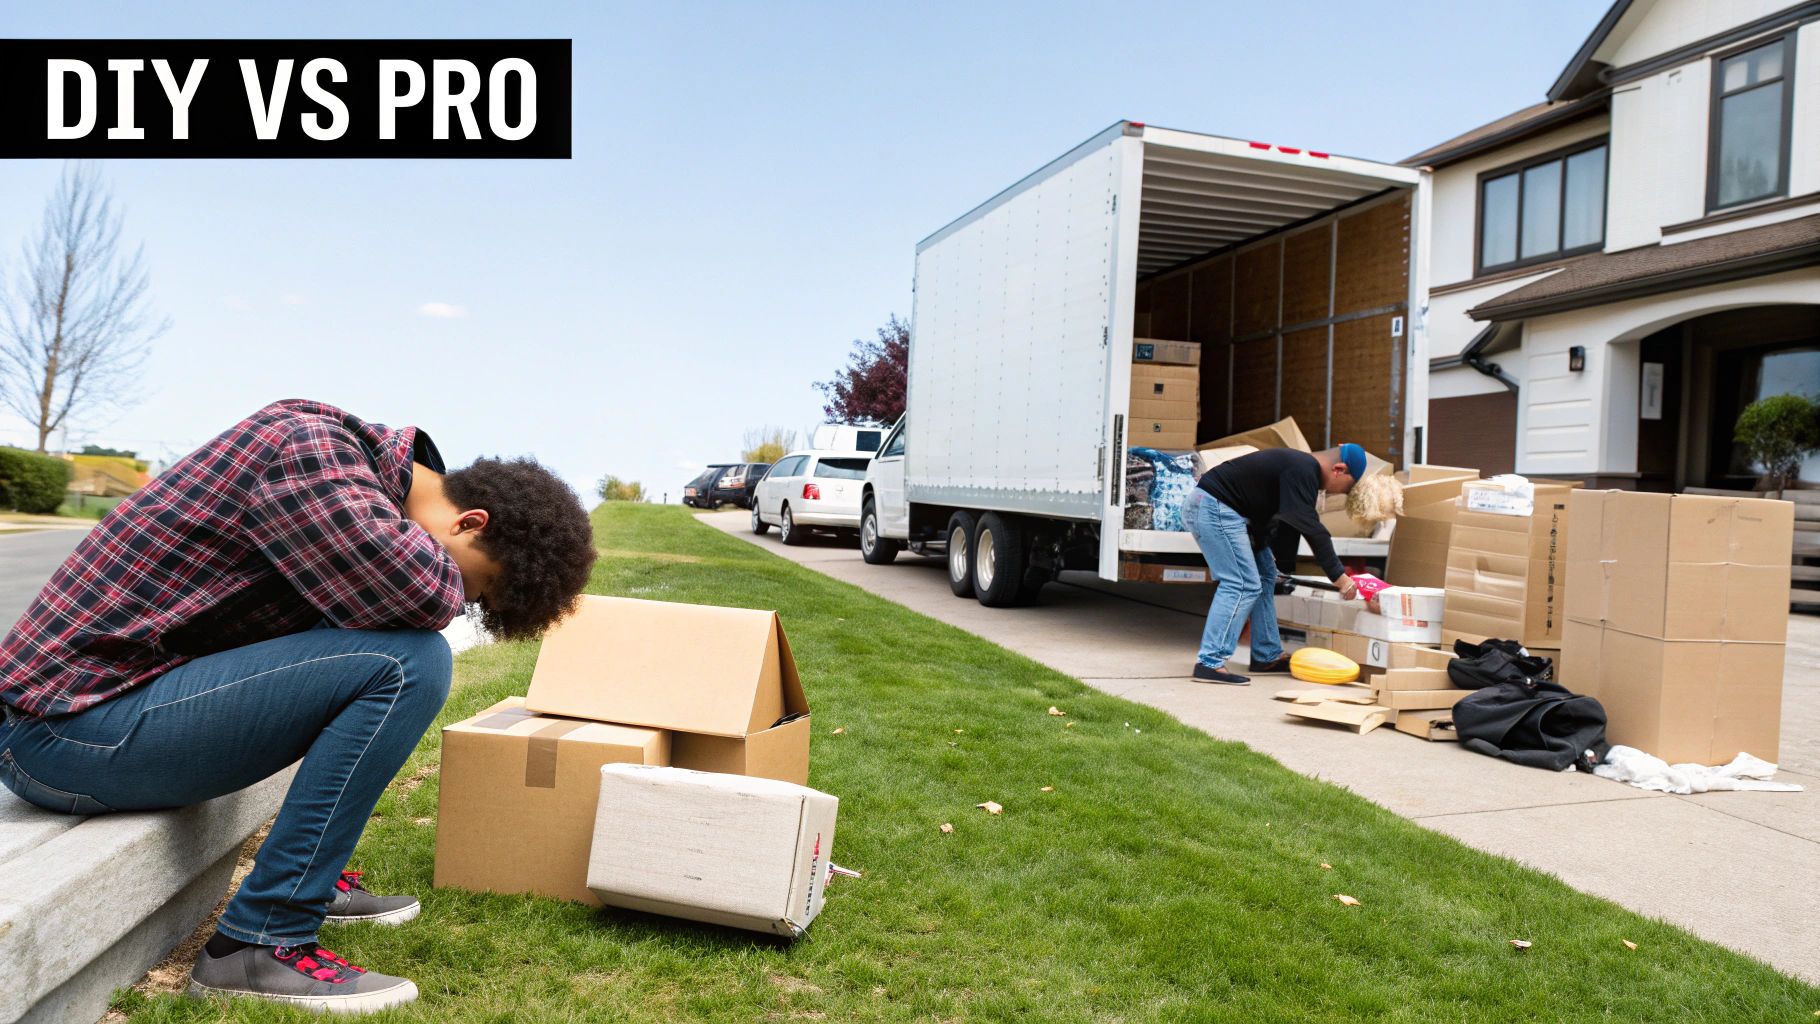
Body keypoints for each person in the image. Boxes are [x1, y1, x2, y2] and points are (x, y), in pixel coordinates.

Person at [0, 399, 596, 1014]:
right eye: (477, 585)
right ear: (470, 522)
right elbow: (423, 596)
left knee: (377, 641)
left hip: (114, 714)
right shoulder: (309, 450)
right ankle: (260, 940)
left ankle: (306, 874)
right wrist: (448, 588)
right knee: (410, 661)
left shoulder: (360, 490)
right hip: (64, 732)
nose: (463, 599)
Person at [1184, 444, 1364, 685]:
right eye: (1348, 488)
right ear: (1339, 470)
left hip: (1226, 510)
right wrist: (1340, 578)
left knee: (1265, 575)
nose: (1341, 493)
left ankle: (1266, 656)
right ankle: (1210, 662)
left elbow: (1285, 519)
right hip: (1215, 507)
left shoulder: (1299, 467)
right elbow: (1312, 529)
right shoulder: (1303, 469)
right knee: (1242, 583)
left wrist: (1280, 564)